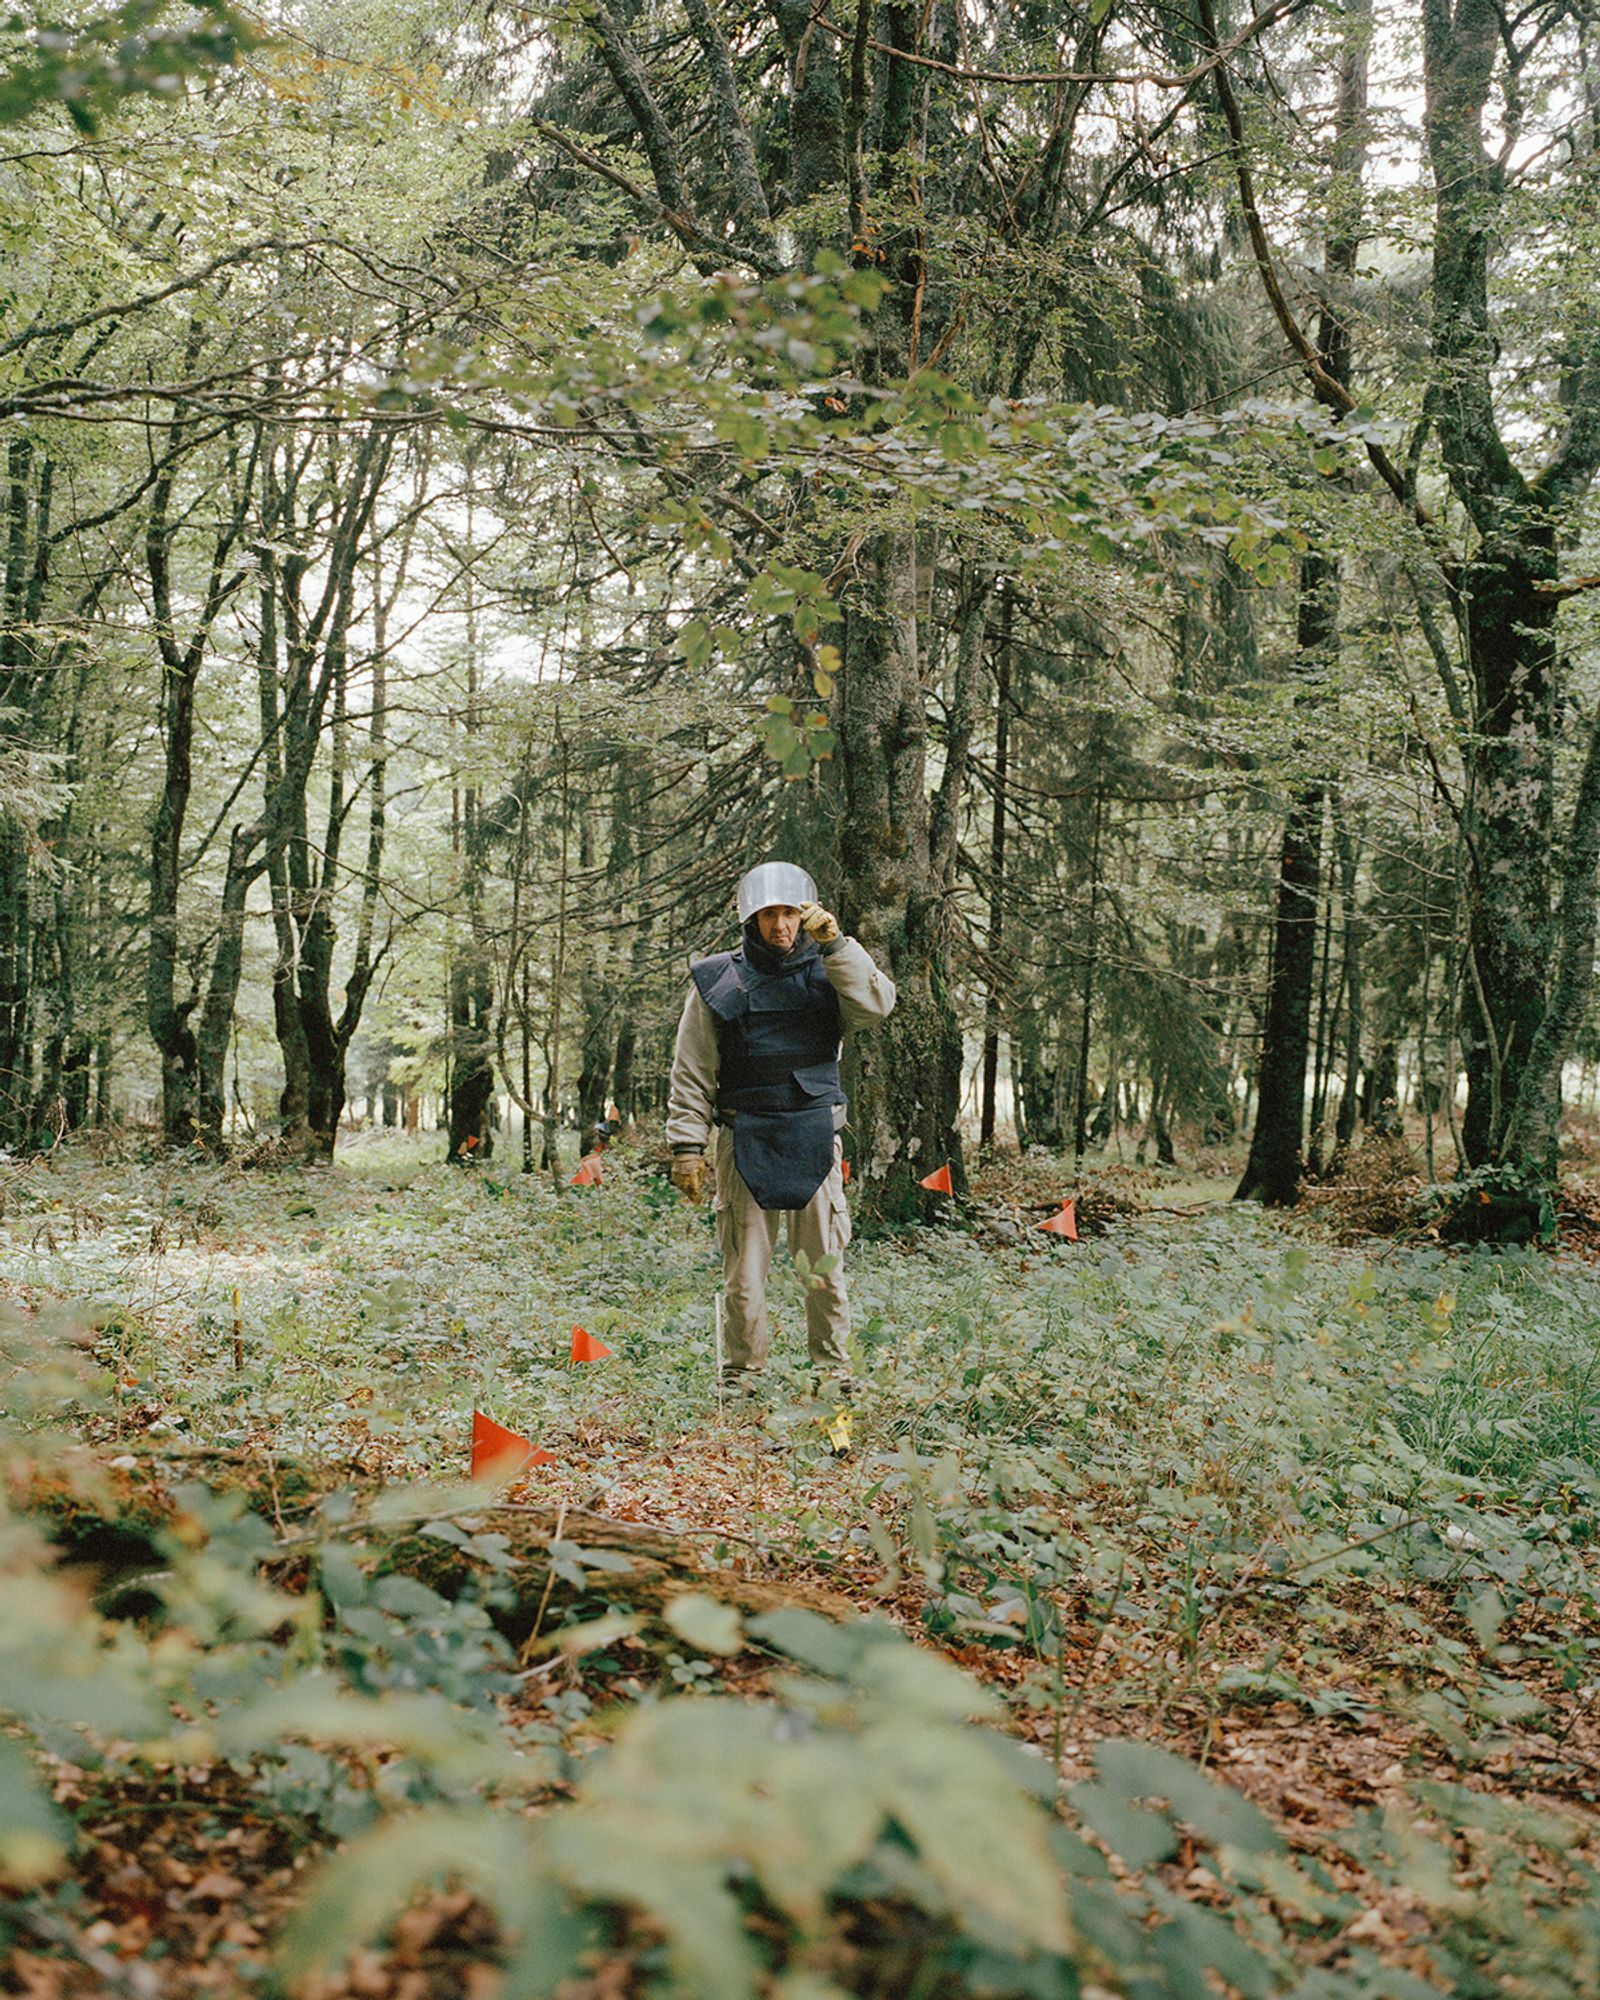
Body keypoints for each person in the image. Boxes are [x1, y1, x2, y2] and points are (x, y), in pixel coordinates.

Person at [667, 862, 896, 1396]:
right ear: (751, 918)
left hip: (814, 1134)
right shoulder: (717, 979)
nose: (781, 926)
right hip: (743, 1137)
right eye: (769, 914)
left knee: (822, 1268)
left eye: (790, 913)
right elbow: (693, 1069)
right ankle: (742, 1374)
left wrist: (838, 945)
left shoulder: (832, 969)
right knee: (744, 1275)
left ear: (805, 915)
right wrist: (685, 1146)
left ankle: (834, 1371)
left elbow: (878, 1004)